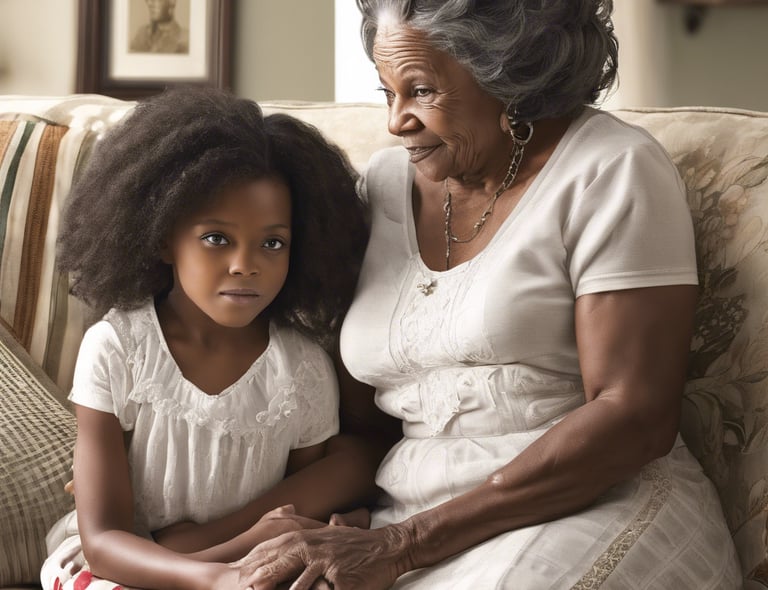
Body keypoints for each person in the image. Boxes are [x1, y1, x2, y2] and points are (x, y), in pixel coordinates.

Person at [234, 1, 744, 588]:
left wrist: (404, 546)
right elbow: (364, 425)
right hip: (408, 519)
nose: (397, 122)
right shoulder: (382, 185)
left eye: (421, 91)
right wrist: (286, 532)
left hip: (588, 505)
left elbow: (634, 418)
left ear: (508, 77)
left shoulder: (610, 169)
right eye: (387, 93)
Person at [40, 86, 375, 590]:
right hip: (121, 566)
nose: (246, 264)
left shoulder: (302, 369)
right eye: (217, 238)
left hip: (246, 566)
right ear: (160, 237)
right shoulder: (118, 349)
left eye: (272, 242)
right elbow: (104, 542)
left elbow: (290, 523)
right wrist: (218, 574)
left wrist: (233, 555)